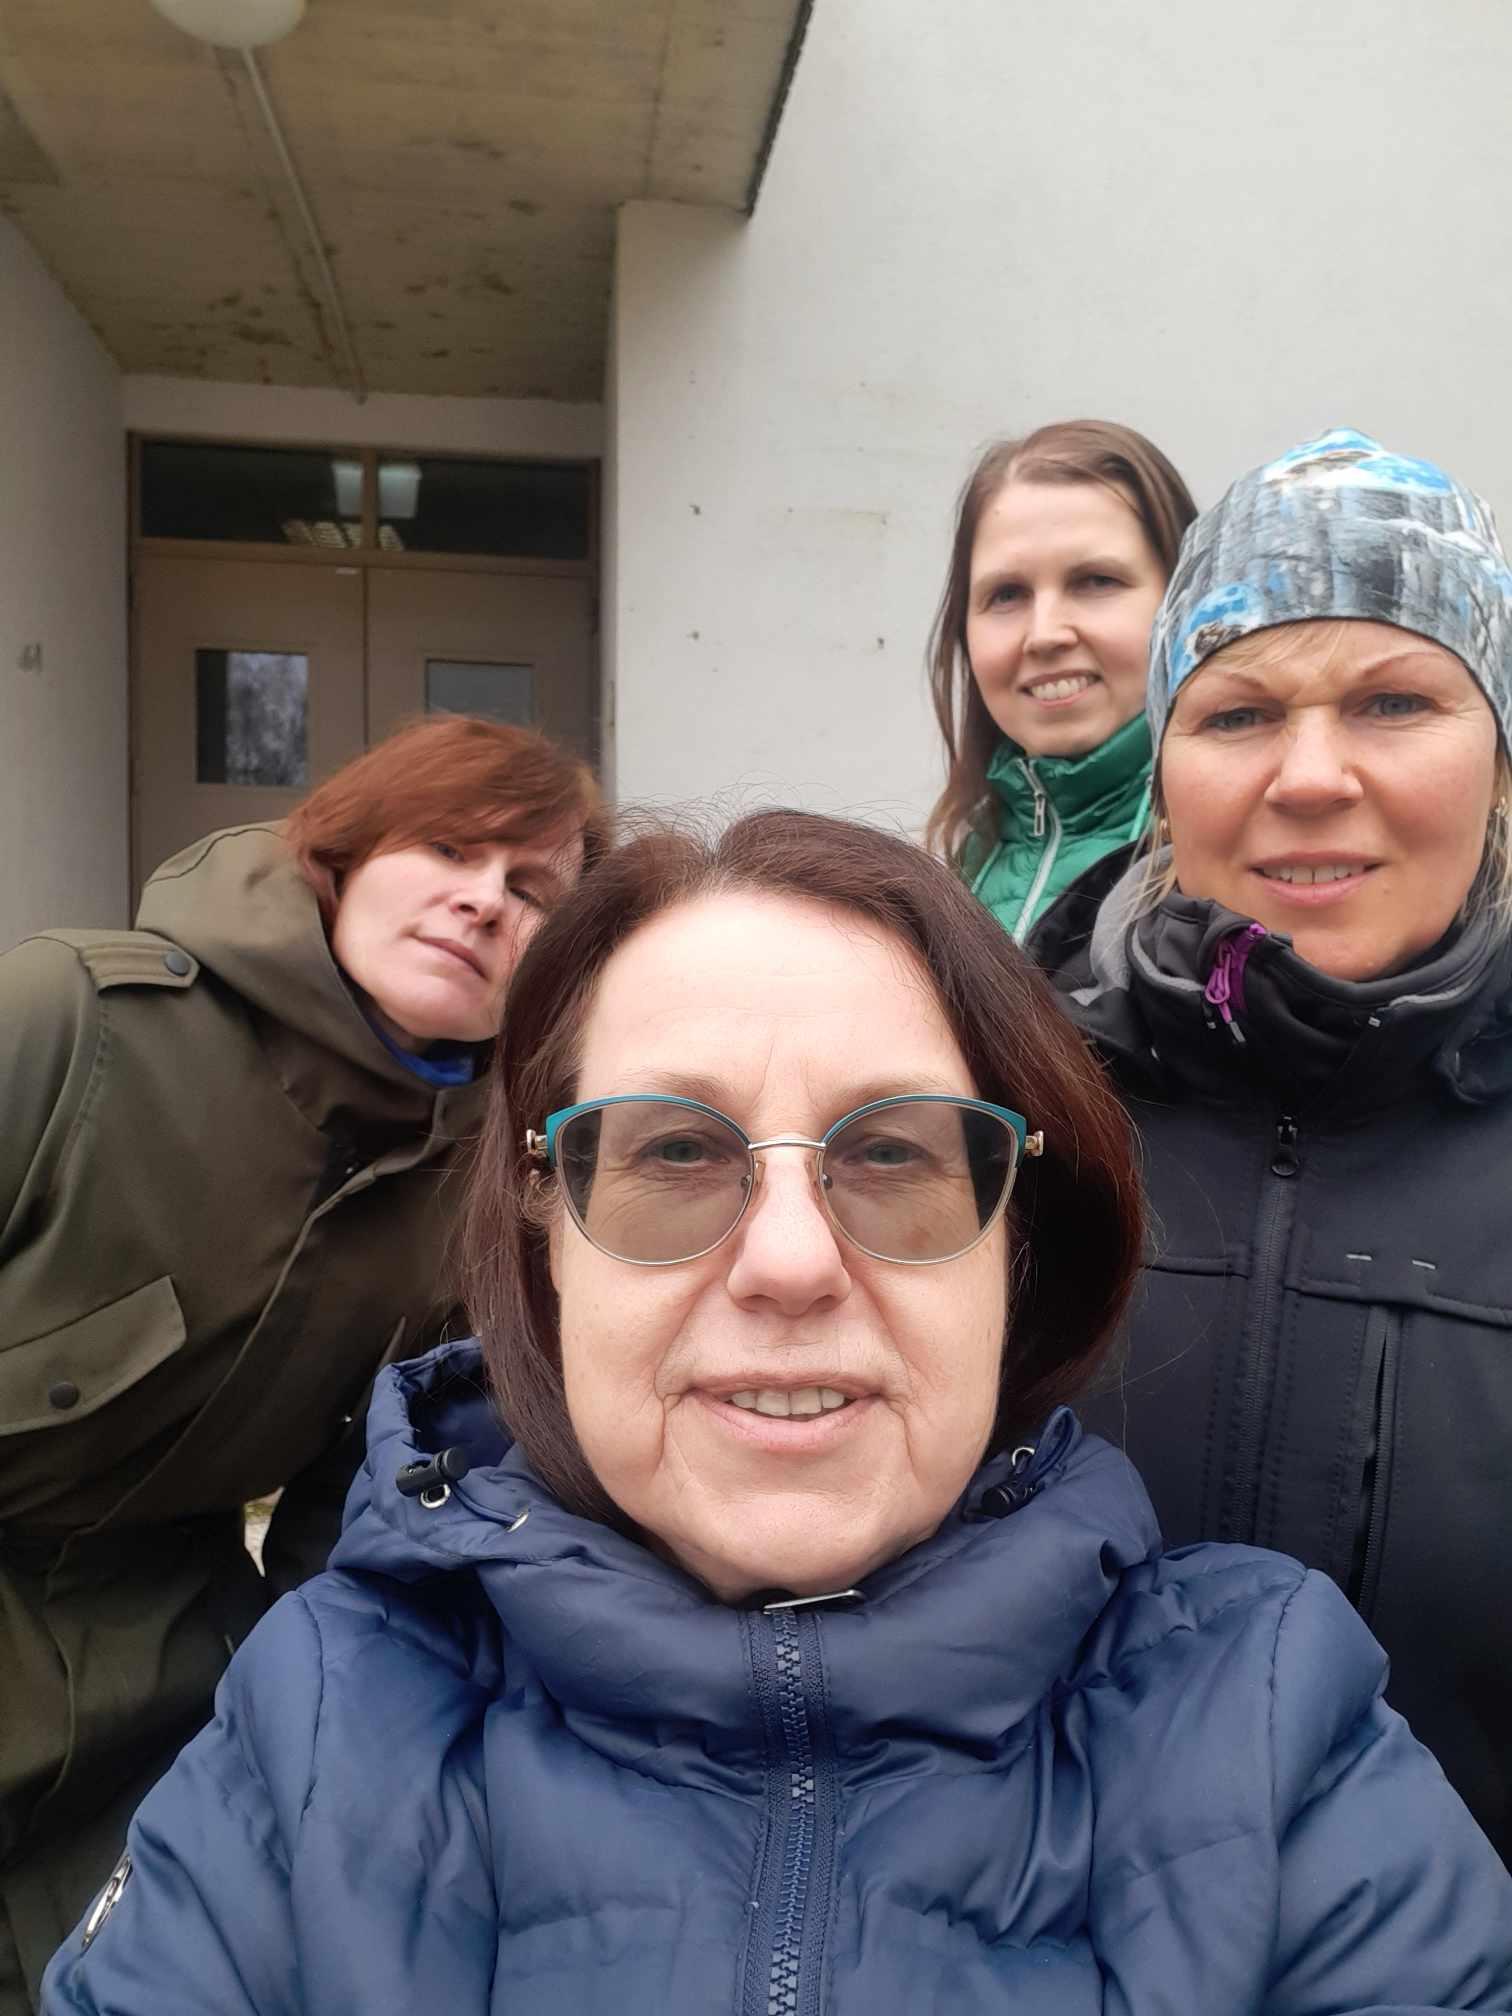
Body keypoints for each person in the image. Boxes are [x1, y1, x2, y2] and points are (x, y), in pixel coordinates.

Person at [44, 809, 1512, 2015]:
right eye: (676, 1153)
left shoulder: (1272, 1719)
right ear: (545, 1228)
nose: (792, 1262)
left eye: (895, 1155)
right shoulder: (321, 1714)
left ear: (1018, 1241)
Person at [0, 714, 604, 2015]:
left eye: (532, 889)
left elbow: (359, 1509)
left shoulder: (487, 1181)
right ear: (342, 852)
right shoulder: (71, 1020)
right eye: (448, 848)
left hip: (159, 1692)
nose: (483, 901)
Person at [1034, 426, 1512, 1862]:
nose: (1308, 776)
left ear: (1499, 759)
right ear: (1165, 768)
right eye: (1237, 714)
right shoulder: (1014, 1119)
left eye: (1394, 701)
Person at [926, 419, 1197, 941]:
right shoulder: (958, 868)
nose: (1045, 634)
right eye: (1007, 594)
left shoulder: (1238, 864)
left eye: (1096, 581)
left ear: (1183, 605)